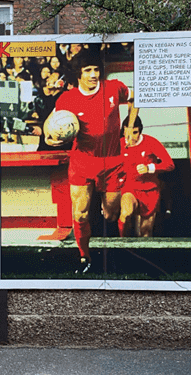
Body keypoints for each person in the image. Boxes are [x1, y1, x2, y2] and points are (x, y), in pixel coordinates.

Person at [50, 49, 134, 272]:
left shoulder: (114, 87)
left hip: (112, 160)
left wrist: (130, 125)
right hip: (83, 161)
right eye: (88, 70)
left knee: (111, 212)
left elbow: (136, 98)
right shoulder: (67, 99)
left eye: (96, 70)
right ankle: (84, 257)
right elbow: (50, 131)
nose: (93, 74)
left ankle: (112, 254)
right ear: (79, 74)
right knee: (80, 213)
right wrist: (54, 140)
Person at [108, 115, 173, 238]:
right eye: (127, 133)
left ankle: (140, 253)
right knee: (126, 213)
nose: (131, 137)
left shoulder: (151, 142)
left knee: (146, 232)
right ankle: (123, 244)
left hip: (150, 191)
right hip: (129, 188)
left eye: (135, 132)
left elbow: (170, 164)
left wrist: (150, 168)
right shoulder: (118, 144)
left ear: (140, 131)